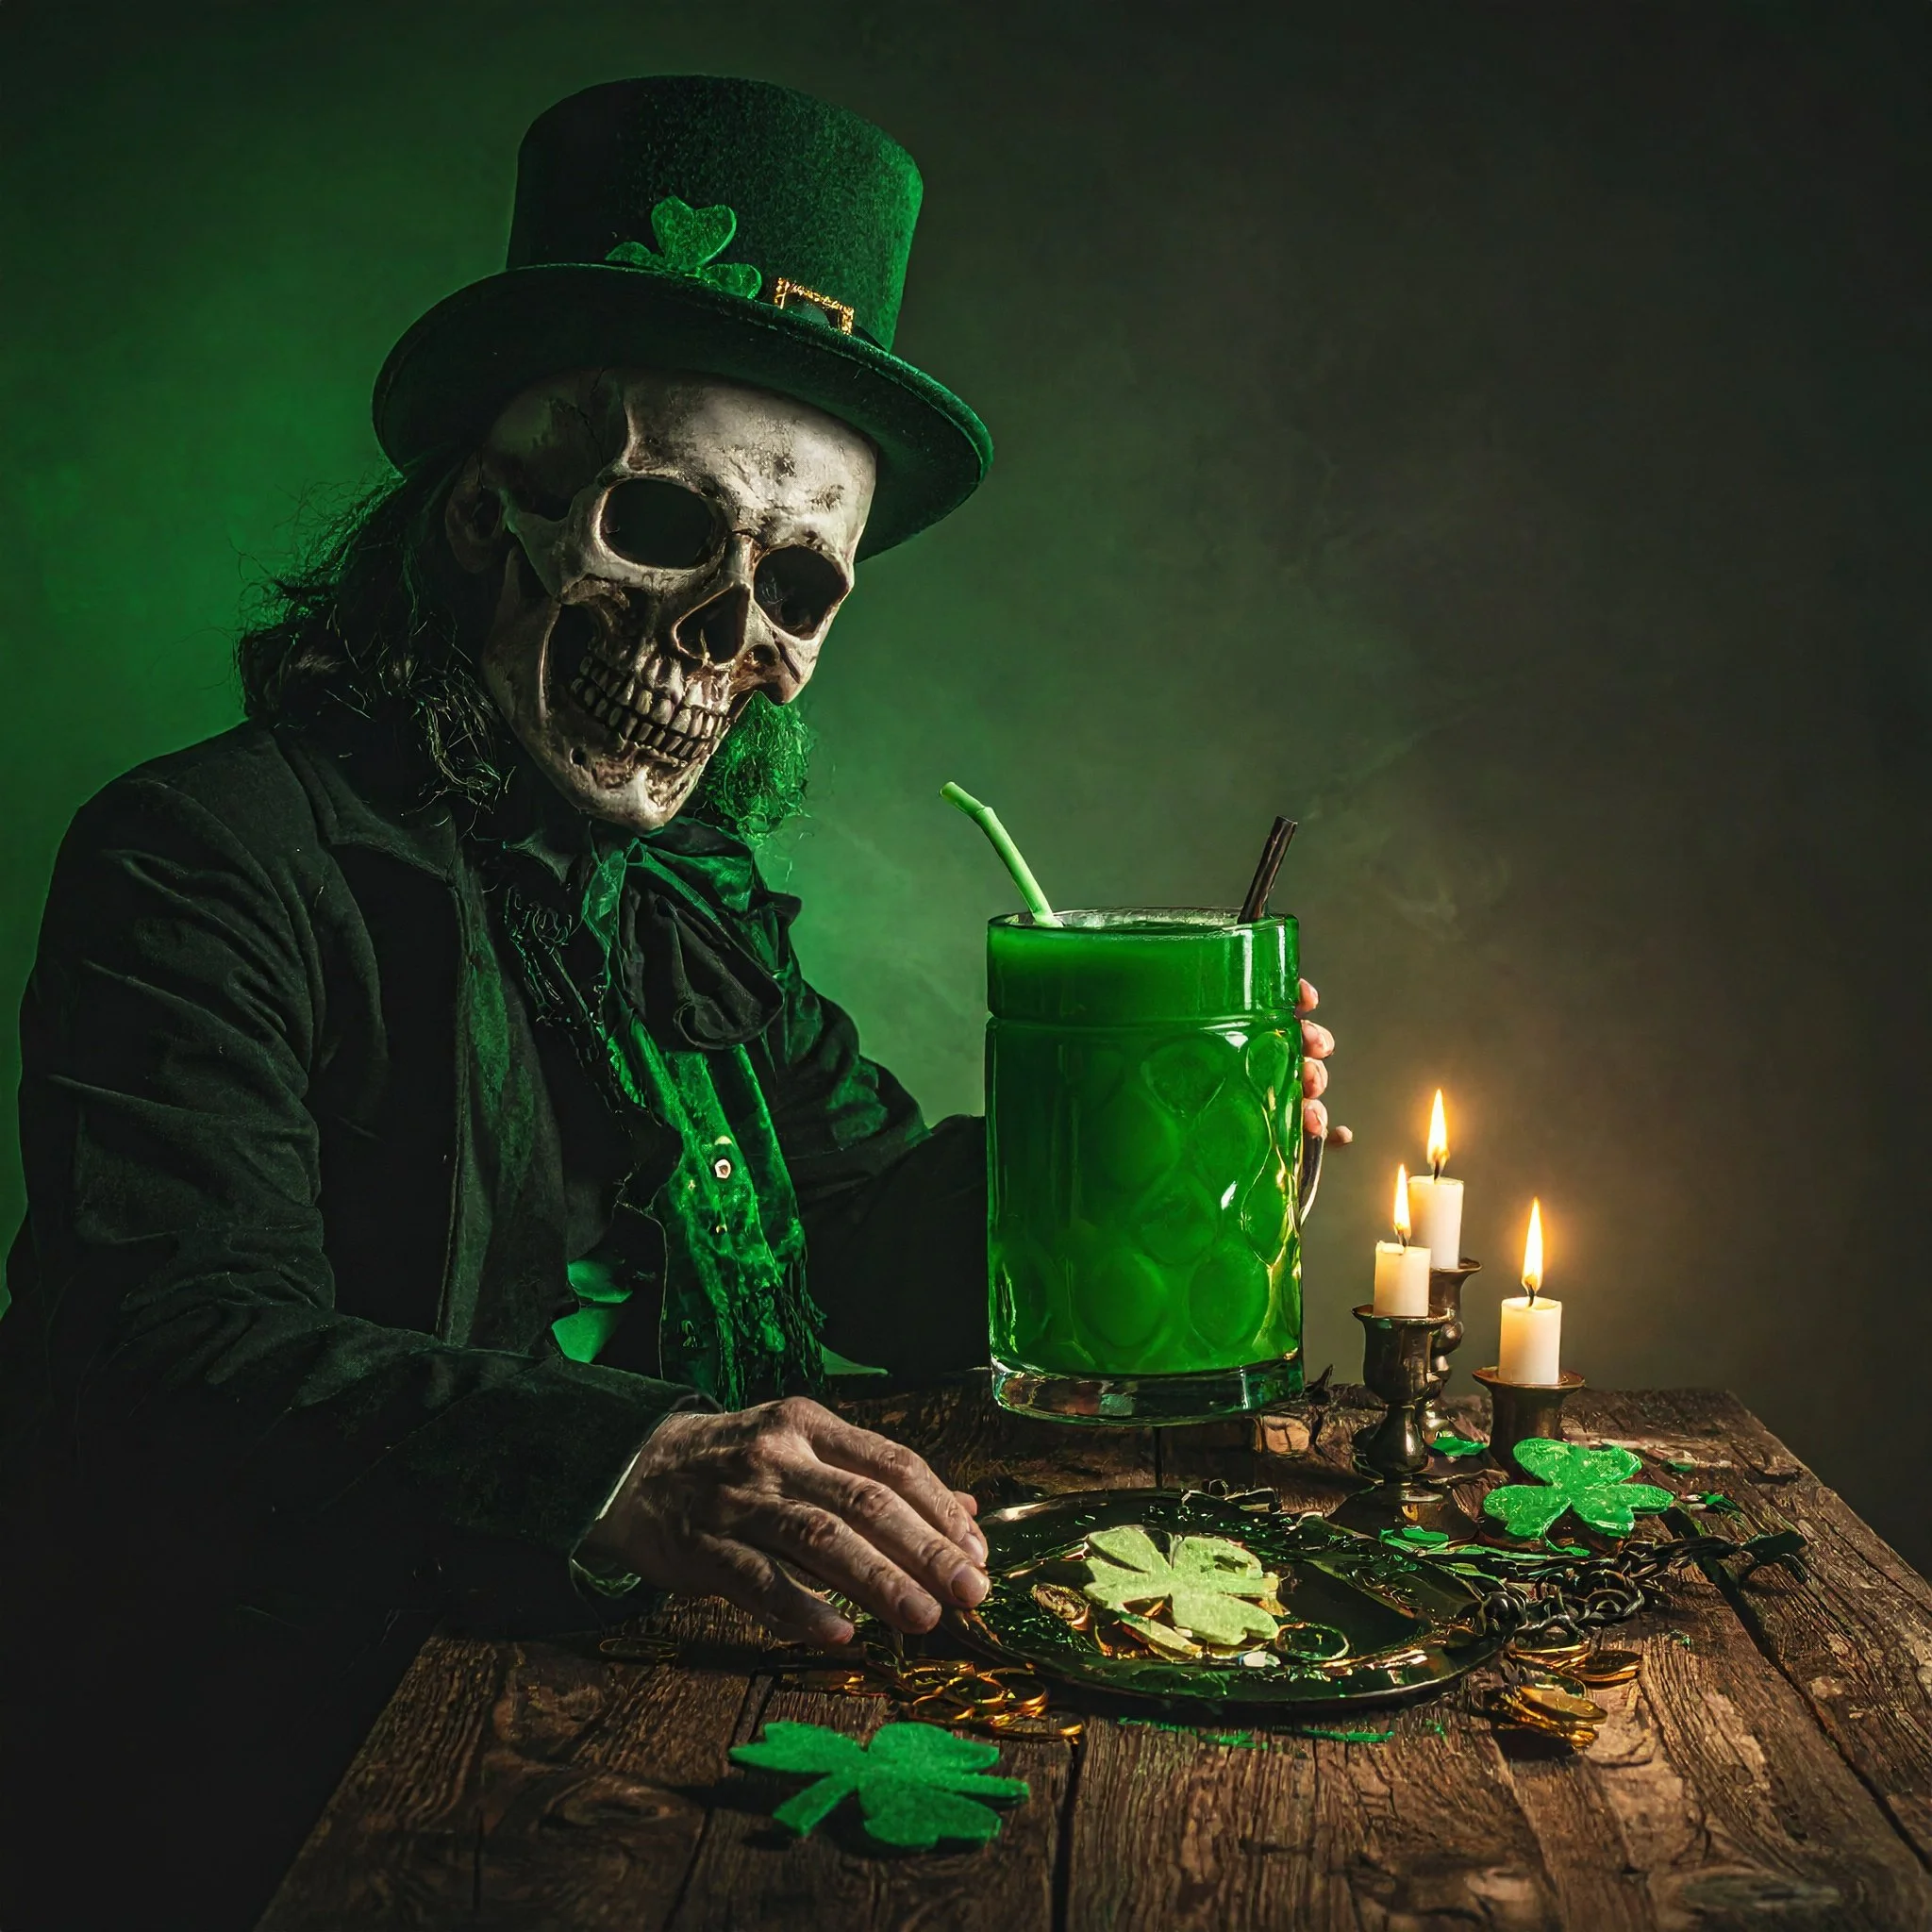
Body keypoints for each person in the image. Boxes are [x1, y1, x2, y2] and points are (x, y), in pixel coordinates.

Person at [0, 75, 1341, 1929]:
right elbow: (161, 1356)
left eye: (793, 591)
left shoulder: (688, 913)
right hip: (297, 1800)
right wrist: (615, 1457)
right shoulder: (200, 858)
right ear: (488, 517)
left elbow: (872, 1235)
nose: (725, 650)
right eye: (655, 533)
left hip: (685, 1742)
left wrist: (1159, 1147)